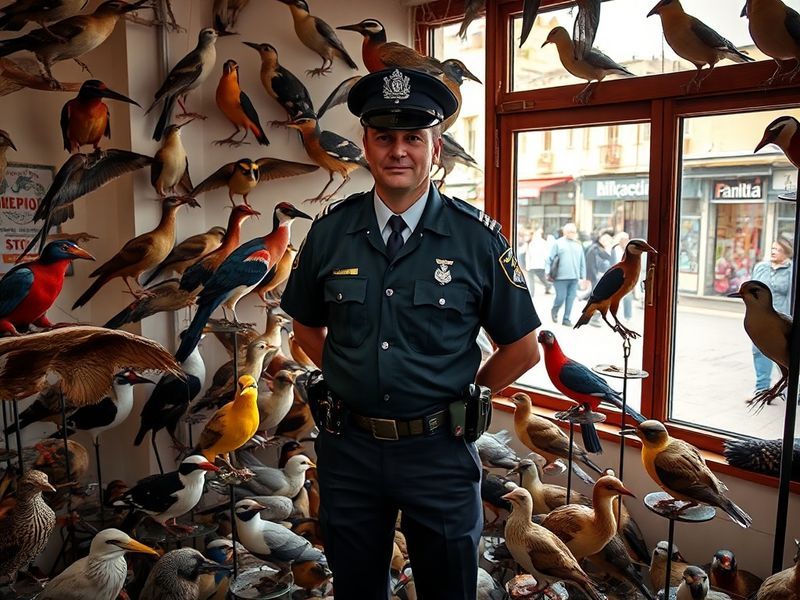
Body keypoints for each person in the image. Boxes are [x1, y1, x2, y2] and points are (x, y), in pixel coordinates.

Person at [280, 68, 541, 600]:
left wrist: (467, 394)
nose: (399, 150)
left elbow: (523, 348)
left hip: (439, 451)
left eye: (413, 138)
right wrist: (346, 372)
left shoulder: (476, 240)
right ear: (366, 147)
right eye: (385, 137)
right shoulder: (330, 232)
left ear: (435, 148)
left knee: (448, 589)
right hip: (347, 448)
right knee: (356, 588)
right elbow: (304, 323)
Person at [750, 237, 793, 395]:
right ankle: (761, 389)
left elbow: (792, 295)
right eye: (773, 249)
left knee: (784, 354)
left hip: (781, 320)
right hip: (761, 319)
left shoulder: (791, 270)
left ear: (787, 253)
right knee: (759, 351)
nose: (774, 252)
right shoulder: (761, 267)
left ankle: (790, 391)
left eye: (778, 249)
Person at [545, 222, 586, 326]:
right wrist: (547, 272)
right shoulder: (557, 243)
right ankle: (554, 310)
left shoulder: (578, 245)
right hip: (559, 277)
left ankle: (566, 319)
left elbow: (582, 262)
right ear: (564, 232)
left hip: (574, 278)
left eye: (573, 231)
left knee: (571, 299)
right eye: (569, 231)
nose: (571, 233)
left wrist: (583, 277)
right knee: (561, 297)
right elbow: (549, 259)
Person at [523, 227, 554, 296]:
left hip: (535, 265)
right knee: (538, 280)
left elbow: (528, 255)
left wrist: (527, 265)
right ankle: (533, 293)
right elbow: (546, 255)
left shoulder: (534, 243)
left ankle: (533, 293)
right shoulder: (542, 243)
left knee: (537, 280)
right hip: (537, 265)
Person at [612, 231, 633, 321]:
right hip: (616, 276)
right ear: (620, 240)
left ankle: (628, 316)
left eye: (627, 239)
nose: (626, 241)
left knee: (628, 296)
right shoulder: (614, 250)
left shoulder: (630, 251)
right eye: (624, 240)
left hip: (627, 277)